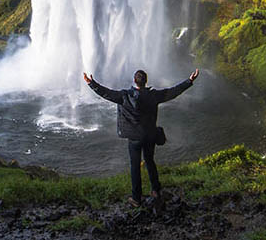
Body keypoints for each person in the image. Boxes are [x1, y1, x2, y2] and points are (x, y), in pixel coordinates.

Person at [83, 67, 200, 206]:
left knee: (135, 166)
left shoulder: (124, 96)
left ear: (134, 81)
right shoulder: (154, 96)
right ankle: (156, 191)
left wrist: (91, 83)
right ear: (146, 82)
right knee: (150, 161)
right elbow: (173, 92)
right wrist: (189, 80)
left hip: (134, 138)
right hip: (150, 135)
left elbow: (106, 93)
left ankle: (136, 198)